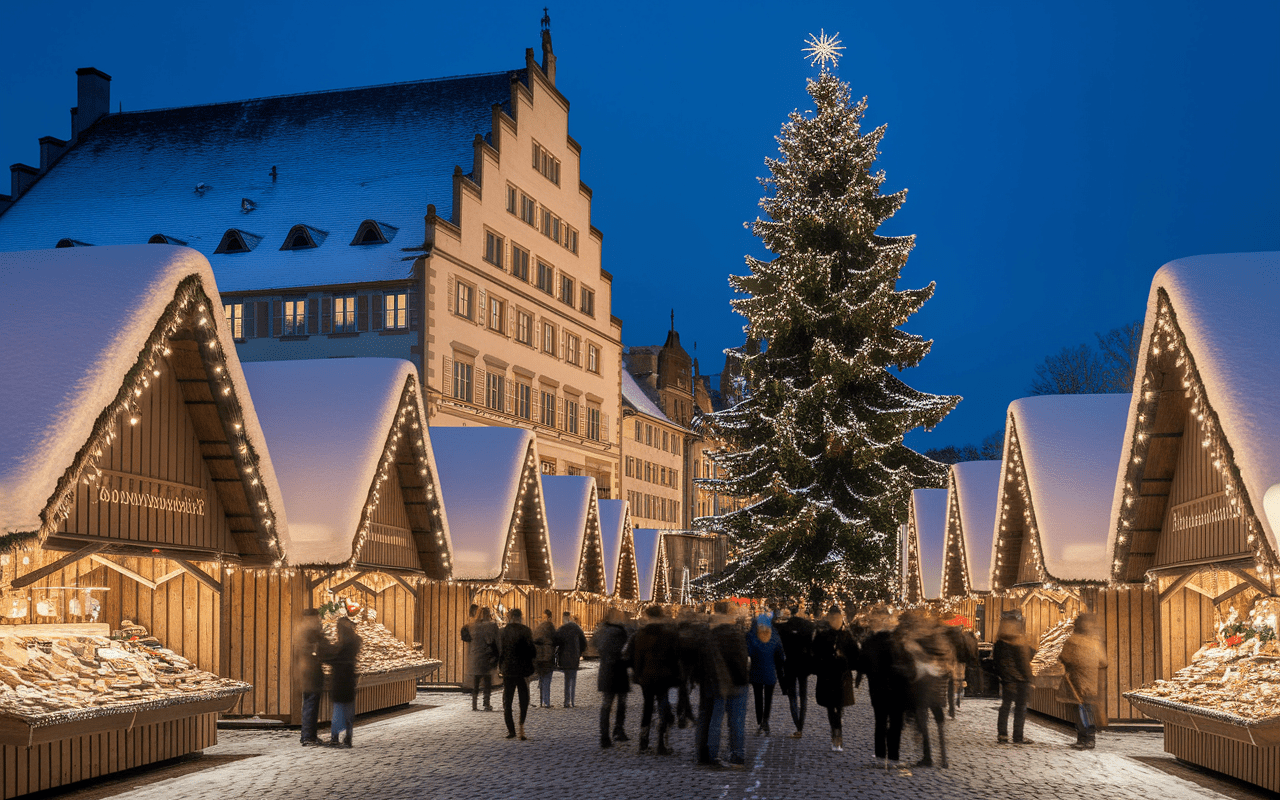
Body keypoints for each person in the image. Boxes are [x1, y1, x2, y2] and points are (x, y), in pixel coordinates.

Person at [857, 606, 907, 762]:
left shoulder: (869, 642)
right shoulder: (899, 641)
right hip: (897, 688)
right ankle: (893, 756)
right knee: (896, 722)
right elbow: (906, 664)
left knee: (880, 721)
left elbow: (862, 666)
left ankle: (880, 755)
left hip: (877, 688)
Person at [630, 605, 681, 754]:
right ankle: (661, 742)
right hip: (664, 676)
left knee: (647, 708)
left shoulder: (641, 634)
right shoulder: (668, 634)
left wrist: (637, 674)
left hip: (646, 676)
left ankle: (643, 742)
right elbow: (675, 656)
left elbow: (637, 658)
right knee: (662, 707)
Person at [707, 603, 750, 767]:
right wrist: (742, 679)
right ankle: (737, 755)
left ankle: (712, 754)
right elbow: (741, 658)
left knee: (716, 719)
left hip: (718, 681)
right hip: (737, 682)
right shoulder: (736, 634)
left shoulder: (712, 634)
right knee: (737, 721)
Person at [1058, 612, 1108, 750]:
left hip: (1076, 681)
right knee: (1087, 709)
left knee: (1081, 710)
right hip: (1090, 682)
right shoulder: (1095, 641)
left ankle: (1085, 738)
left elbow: (1064, 657)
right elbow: (1103, 661)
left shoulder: (1072, 640)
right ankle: (1088, 739)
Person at [812, 604, 858, 752]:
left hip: (828, 677)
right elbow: (855, 657)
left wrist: (820, 666)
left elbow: (814, 655)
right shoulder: (846, 636)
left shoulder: (822, 635)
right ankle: (837, 731)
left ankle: (836, 732)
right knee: (838, 706)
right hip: (841, 677)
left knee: (832, 707)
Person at [993, 615, 1035, 745]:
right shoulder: (1018, 642)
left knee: (1005, 706)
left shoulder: (999, 643)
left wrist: (1003, 676)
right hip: (1020, 680)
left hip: (1007, 679)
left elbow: (996, 662)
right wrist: (1030, 678)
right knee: (1020, 708)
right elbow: (1023, 663)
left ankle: (1002, 734)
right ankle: (1018, 736)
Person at [774, 603, 815, 738]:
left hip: (790, 663)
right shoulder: (808, 627)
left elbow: (774, 625)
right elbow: (811, 648)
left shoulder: (784, 628)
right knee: (803, 696)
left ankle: (797, 724)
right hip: (803, 664)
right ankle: (800, 726)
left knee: (793, 696)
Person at [593, 607, 632, 748]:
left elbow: (596, 646)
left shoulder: (602, 631)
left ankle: (604, 735)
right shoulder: (621, 633)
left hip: (606, 672)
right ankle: (618, 730)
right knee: (620, 704)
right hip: (619, 673)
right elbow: (624, 653)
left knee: (606, 705)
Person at [498, 607, 536, 740]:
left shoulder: (503, 631)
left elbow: (500, 651)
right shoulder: (526, 631)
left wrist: (501, 666)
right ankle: (521, 728)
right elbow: (532, 651)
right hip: (522, 670)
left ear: (510, 617)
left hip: (508, 670)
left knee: (507, 701)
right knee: (523, 699)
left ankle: (511, 730)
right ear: (520, 617)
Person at [746, 614, 785, 736]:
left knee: (758, 698)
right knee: (768, 698)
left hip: (756, 672)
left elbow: (748, 652)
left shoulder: (751, 636)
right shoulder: (774, 636)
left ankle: (759, 722)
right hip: (770, 672)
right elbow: (780, 657)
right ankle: (765, 721)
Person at [326, 616, 362, 748]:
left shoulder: (341, 645)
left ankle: (335, 737)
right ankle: (348, 737)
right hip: (350, 679)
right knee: (348, 710)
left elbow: (332, 658)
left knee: (338, 709)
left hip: (339, 680)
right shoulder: (355, 641)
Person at [294, 609, 326, 746]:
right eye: (316, 617)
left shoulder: (302, 630)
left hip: (306, 672)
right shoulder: (310, 631)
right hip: (311, 672)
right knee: (311, 703)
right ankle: (308, 737)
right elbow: (320, 649)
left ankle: (309, 735)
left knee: (310, 703)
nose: (318, 619)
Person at [466, 607, 500, 711]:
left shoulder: (472, 626)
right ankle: (486, 703)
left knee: (476, 682)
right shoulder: (492, 625)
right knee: (487, 682)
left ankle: (474, 704)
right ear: (488, 614)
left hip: (475, 657)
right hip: (486, 657)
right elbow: (496, 641)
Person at [554, 610, 587, 708]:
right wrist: (579, 652)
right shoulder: (577, 628)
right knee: (573, 679)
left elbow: (556, 641)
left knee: (567, 680)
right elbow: (584, 643)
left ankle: (566, 701)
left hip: (564, 657)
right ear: (570, 617)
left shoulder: (562, 629)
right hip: (574, 656)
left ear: (564, 618)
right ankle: (572, 700)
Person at [533, 609, 558, 709]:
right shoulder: (551, 627)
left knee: (541, 679)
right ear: (550, 617)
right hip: (548, 657)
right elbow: (556, 640)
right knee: (547, 680)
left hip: (539, 658)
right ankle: (546, 702)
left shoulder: (538, 628)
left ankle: (541, 701)